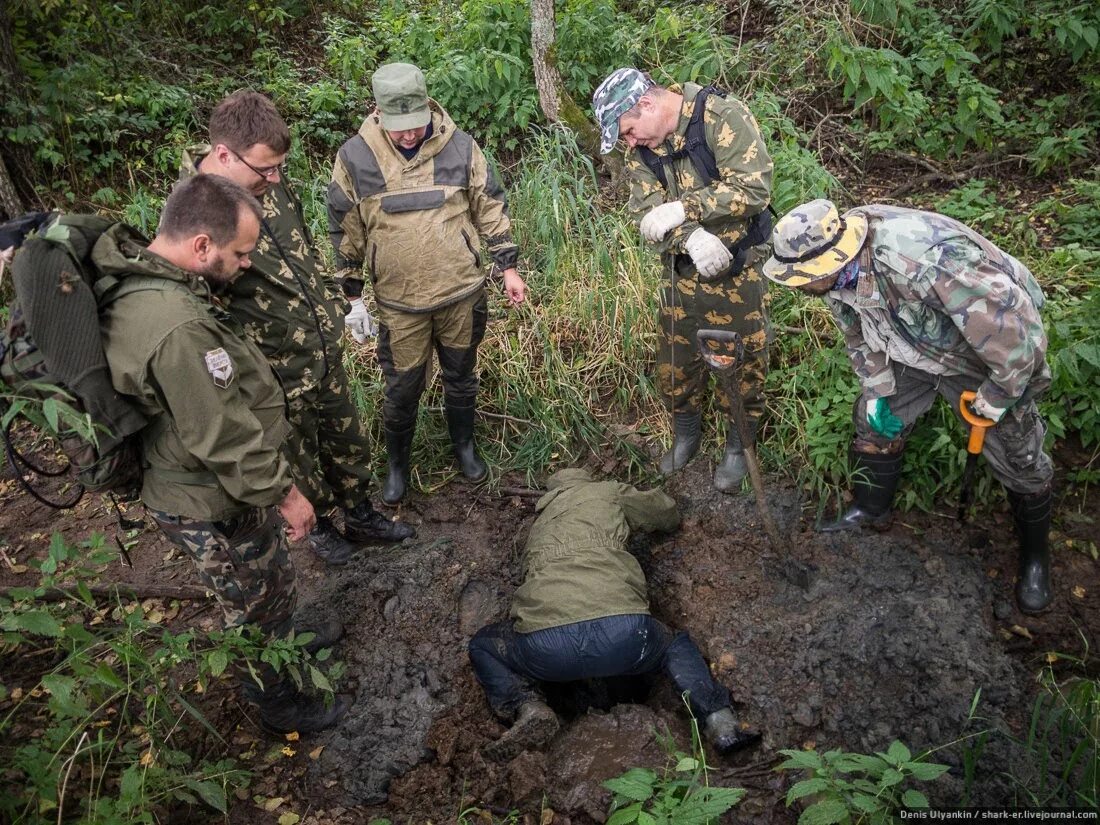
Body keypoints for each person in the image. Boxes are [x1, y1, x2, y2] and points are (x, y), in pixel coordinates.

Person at [98, 175, 350, 732]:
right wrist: (286, 495)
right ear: (202, 245)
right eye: (240, 253)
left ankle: (286, 635)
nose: (247, 263)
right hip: (206, 497)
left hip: (211, 480)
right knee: (250, 599)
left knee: (266, 579)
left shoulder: (152, 281)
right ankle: (274, 701)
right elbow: (222, 434)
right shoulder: (179, 327)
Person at [762, 199, 1054, 614]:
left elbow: (1017, 338)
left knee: (1018, 455)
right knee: (872, 423)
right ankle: (870, 509)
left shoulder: (926, 262)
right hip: (910, 348)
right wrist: (877, 389)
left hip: (978, 358)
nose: (797, 286)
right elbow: (856, 332)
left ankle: (1036, 560)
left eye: (802, 278)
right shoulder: (833, 275)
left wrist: (999, 396)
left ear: (830, 260)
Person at [181, 90, 413, 565]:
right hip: (275, 372)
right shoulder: (194, 216)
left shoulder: (267, 181)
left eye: (279, 168)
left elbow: (301, 245)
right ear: (224, 155)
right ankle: (320, 526)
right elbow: (202, 315)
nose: (275, 178)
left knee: (347, 440)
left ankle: (360, 512)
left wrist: (337, 302)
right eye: (266, 170)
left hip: (321, 347)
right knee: (299, 455)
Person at [328, 62, 527, 504]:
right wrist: (352, 296)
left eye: (415, 125)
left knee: (461, 375)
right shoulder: (356, 157)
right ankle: (398, 467)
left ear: (427, 107)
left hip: (460, 294)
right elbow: (344, 227)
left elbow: (489, 205)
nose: (408, 135)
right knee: (402, 389)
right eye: (398, 128)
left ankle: (464, 449)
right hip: (400, 304)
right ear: (378, 113)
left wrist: (508, 266)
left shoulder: (460, 146)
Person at [468, 468, 761, 761]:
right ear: (586, 480)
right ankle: (720, 722)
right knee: (673, 645)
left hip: (546, 649)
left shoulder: (539, 526)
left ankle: (527, 705)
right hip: (627, 636)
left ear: (551, 495)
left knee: (483, 645)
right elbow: (665, 513)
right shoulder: (608, 492)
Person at [591, 68, 774, 492]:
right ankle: (686, 434)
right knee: (676, 363)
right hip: (679, 273)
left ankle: (738, 446)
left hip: (737, 271)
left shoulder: (721, 117)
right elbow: (647, 216)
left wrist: (684, 209)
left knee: (742, 362)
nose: (630, 142)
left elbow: (754, 189)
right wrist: (690, 237)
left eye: (629, 130)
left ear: (647, 104)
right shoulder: (644, 150)